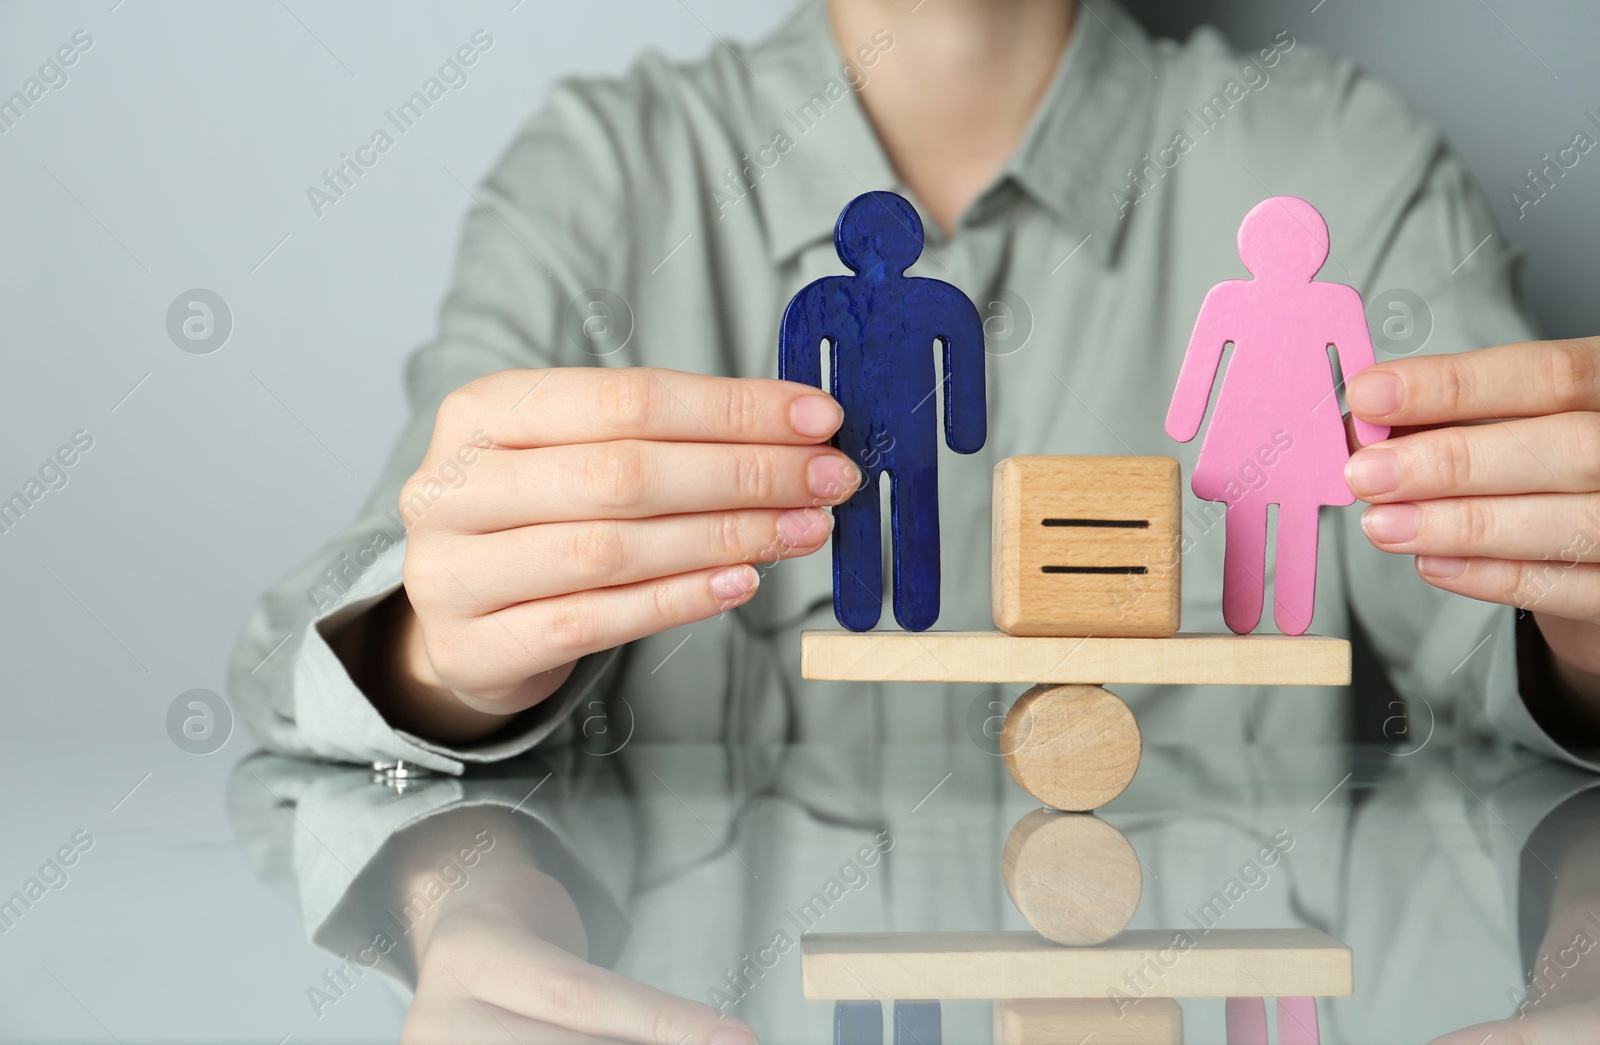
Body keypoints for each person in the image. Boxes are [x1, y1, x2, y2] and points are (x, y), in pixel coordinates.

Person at [229, 0, 1600, 774]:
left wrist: (1582, 639)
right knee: (895, 546)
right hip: (858, 494)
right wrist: (433, 658)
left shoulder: (1349, 164)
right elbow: (327, 630)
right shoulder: (603, 182)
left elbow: (1502, 645)